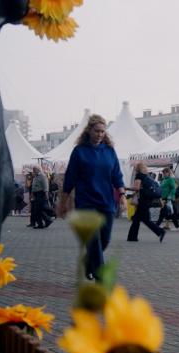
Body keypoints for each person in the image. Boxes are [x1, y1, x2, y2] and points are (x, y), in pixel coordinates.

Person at [58, 114, 127, 281]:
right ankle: (100, 277)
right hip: (86, 202)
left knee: (105, 240)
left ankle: (89, 263)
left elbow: (117, 175)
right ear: (89, 130)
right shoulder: (79, 151)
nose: (100, 134)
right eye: (97, 131)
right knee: (94, 240)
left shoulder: (109, 151)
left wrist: (123, 195)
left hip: (106, 202)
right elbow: (70, 178)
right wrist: (63, 202)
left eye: (103, 131)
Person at [126, 163, 166, 243]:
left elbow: (137, 188)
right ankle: (132, 237)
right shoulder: (147, 176)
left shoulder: (139, 176)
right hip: (147, 199)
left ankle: (160, 231)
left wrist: (125, 188)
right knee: (136, 219)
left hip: (143, 201)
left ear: (138, 168)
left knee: (146, 220)